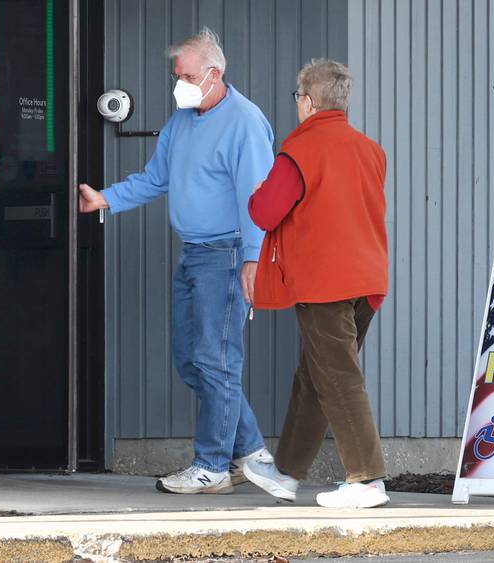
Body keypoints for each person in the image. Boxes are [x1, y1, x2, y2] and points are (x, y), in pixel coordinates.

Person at [78, 28, 274, 494]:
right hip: (194, 255)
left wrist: (253, 260)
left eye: (186, 75)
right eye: (177, 75)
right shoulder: (182, 120)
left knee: (216, 360)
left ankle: (211, 466)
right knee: (193, 360)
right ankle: (251, 451)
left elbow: (258, 199)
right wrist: (104, 198)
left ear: (214, 73)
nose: (179, 84)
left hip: (226, 255)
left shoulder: (244, 122)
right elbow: (154, 178)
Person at [243, 59, 390, 509]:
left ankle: (367, 479)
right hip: (368, 279)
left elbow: (264, 212)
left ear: (307, 102)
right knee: (315, 376)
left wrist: (257, 190)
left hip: (324, 282)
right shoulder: (370, 149)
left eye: (297, 98)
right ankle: (286, 472)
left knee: (338, 377)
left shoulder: (300, 149)